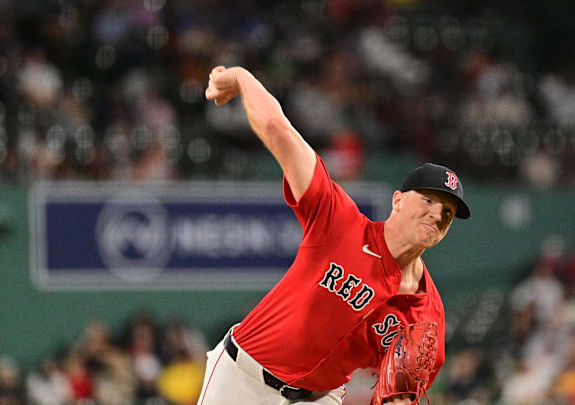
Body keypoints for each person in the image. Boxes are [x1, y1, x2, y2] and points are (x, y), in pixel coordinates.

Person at [198, 66, 471, 405]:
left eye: (448, 212)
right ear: (398, 200)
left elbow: (397, 398)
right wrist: (241, 78)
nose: (437, 214)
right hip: (244, 379)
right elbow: (277, 129)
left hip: (321, 398)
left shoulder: (425, 313)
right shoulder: (340, 223)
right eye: (429, 200)